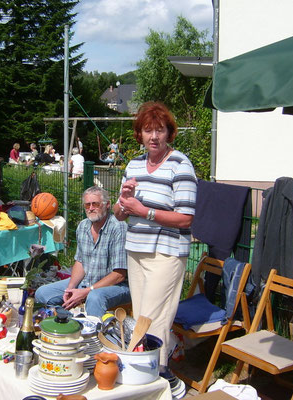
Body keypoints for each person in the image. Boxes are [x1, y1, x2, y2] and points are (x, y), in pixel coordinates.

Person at [113, 101, 197, 398]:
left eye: (159, 130)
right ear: (140, 134)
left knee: (152, 318)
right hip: (136, 250)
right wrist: (123, 201)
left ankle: (157, 378)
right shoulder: (134, 165)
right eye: (148, 130)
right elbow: (119, 213)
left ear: (169, 133)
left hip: (167, 253)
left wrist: (144, 210)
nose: (153, 136)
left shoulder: (181, 165)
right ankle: (161, 375)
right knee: (143, 318)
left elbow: (186, 217)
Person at [35, 186, 131, 318]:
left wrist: (86, 291)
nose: (91, 208)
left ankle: (95, 334)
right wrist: (71, 289)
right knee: (42, 293)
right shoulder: (83, 226)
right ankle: (71, 321)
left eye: (95, 204)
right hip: (86, 283)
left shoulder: (118, 227)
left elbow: (119, 274)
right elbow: (80, 262)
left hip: (116, 287)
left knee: (95, 298)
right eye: (87, 205)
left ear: (107, 205)